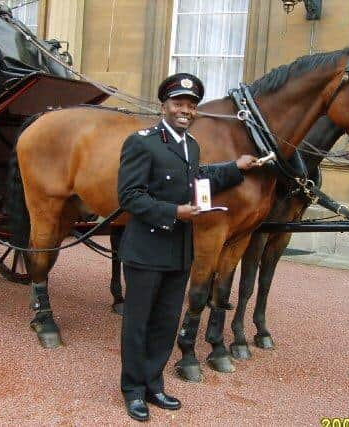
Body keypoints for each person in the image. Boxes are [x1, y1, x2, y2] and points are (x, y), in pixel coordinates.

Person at [117, 73, 260, 422]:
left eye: (191, 105)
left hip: (179, 249)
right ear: (164, 106)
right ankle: (133, 390)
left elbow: (195, 179)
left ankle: (154, 383)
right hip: (146, 248)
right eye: (179, 103)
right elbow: (129, 196)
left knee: (166, 321)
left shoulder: (190, 145)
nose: (185, 110)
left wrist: (234, 168)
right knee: (139, 322)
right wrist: (174, 211)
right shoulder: (141, 142)